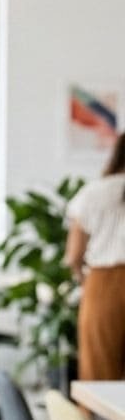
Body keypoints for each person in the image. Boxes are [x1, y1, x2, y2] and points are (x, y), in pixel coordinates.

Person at [66, 131, 125, 381]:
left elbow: (73, 256)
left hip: (104, 284)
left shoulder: (94, 192)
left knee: (99, 373)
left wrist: (84, 280)